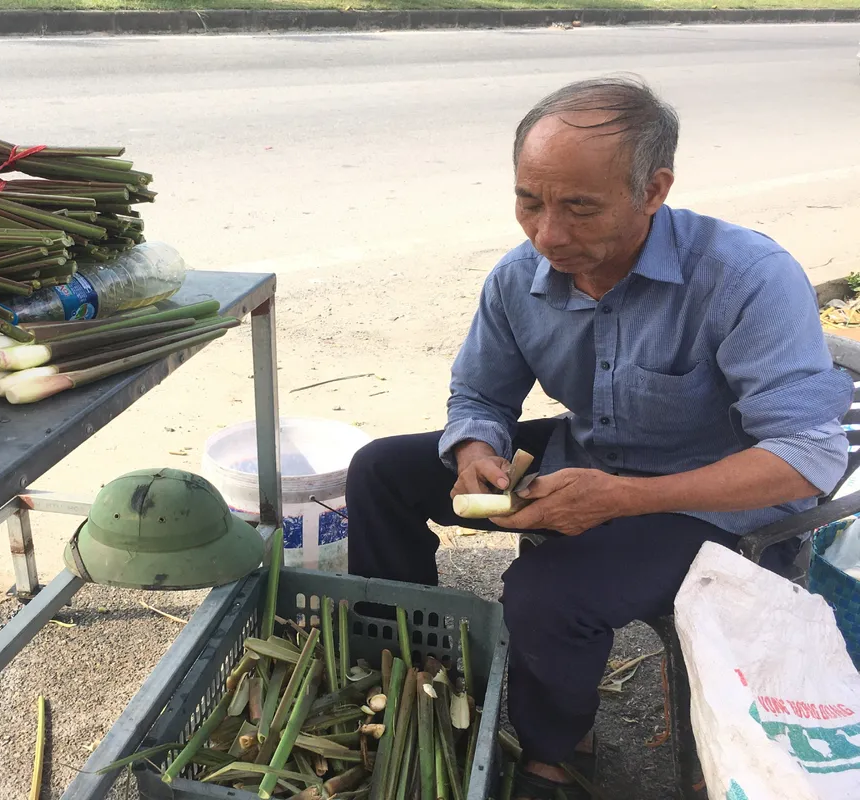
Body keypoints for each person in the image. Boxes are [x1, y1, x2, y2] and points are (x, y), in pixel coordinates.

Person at [345, 75, 853, 799]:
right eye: (529, 201)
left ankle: (554, 757)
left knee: (548, 593)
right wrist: (475, 451)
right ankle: (406, 676)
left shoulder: (745, 277)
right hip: (589, 459)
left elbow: (810, 456)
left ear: (653, 189)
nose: (549, 234)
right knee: (379, 470)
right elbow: (480, 394)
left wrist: (623, 499)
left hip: (711, 499)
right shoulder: (520, 277)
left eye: (580, 207)